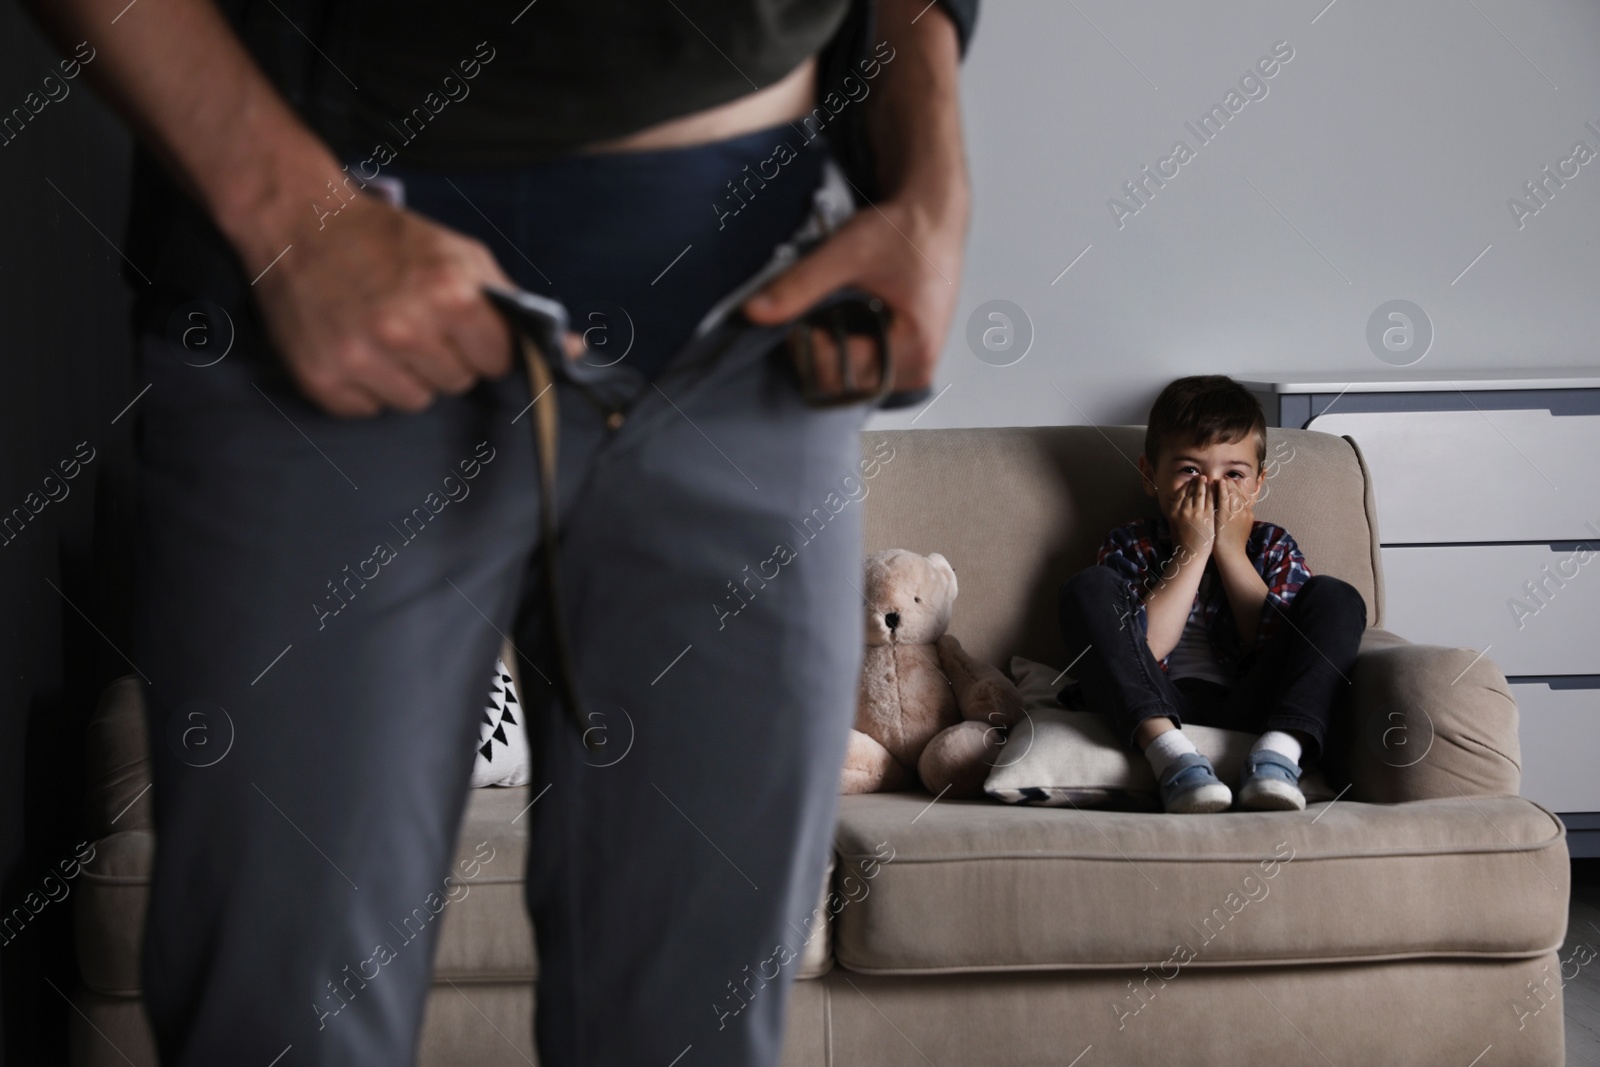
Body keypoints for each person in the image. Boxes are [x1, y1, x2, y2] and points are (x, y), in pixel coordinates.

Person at [17, 0, 977, 1062]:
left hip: (753, 318)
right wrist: (281, 208)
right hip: (315, 301)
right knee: (281, 1024)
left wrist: (932, 187)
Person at [1057, 375, 1368, 814]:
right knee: (1087, 589)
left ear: (1258, 484)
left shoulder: (1271, 545)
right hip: (1155, 703)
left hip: (1256, 703)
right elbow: (1137, 649)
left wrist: (1230, 551)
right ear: (1151, 477)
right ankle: (1174, 760)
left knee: (1338, 597)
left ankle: (1278, 757)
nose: (1212, 489)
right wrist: (1193, 549)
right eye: (1190, 471)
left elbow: (1275, 645)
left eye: (1233, 474)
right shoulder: (1132, 544)